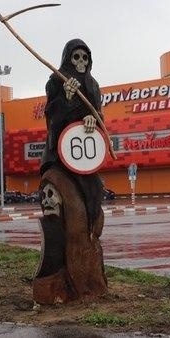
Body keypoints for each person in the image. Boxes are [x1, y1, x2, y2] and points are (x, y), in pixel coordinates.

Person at [41, 38, 104, 226]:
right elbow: (51, 116)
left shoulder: (93, 85)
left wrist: (93, 119)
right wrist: (66, 98)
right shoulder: (56, 81)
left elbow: (99, 115)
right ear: (68, 58)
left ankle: (90, 231)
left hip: (83, 158)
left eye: (85, 57)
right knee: (59, 189)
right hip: (59, 155)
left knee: (95, 190)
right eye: (76, 57)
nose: (81, 62)